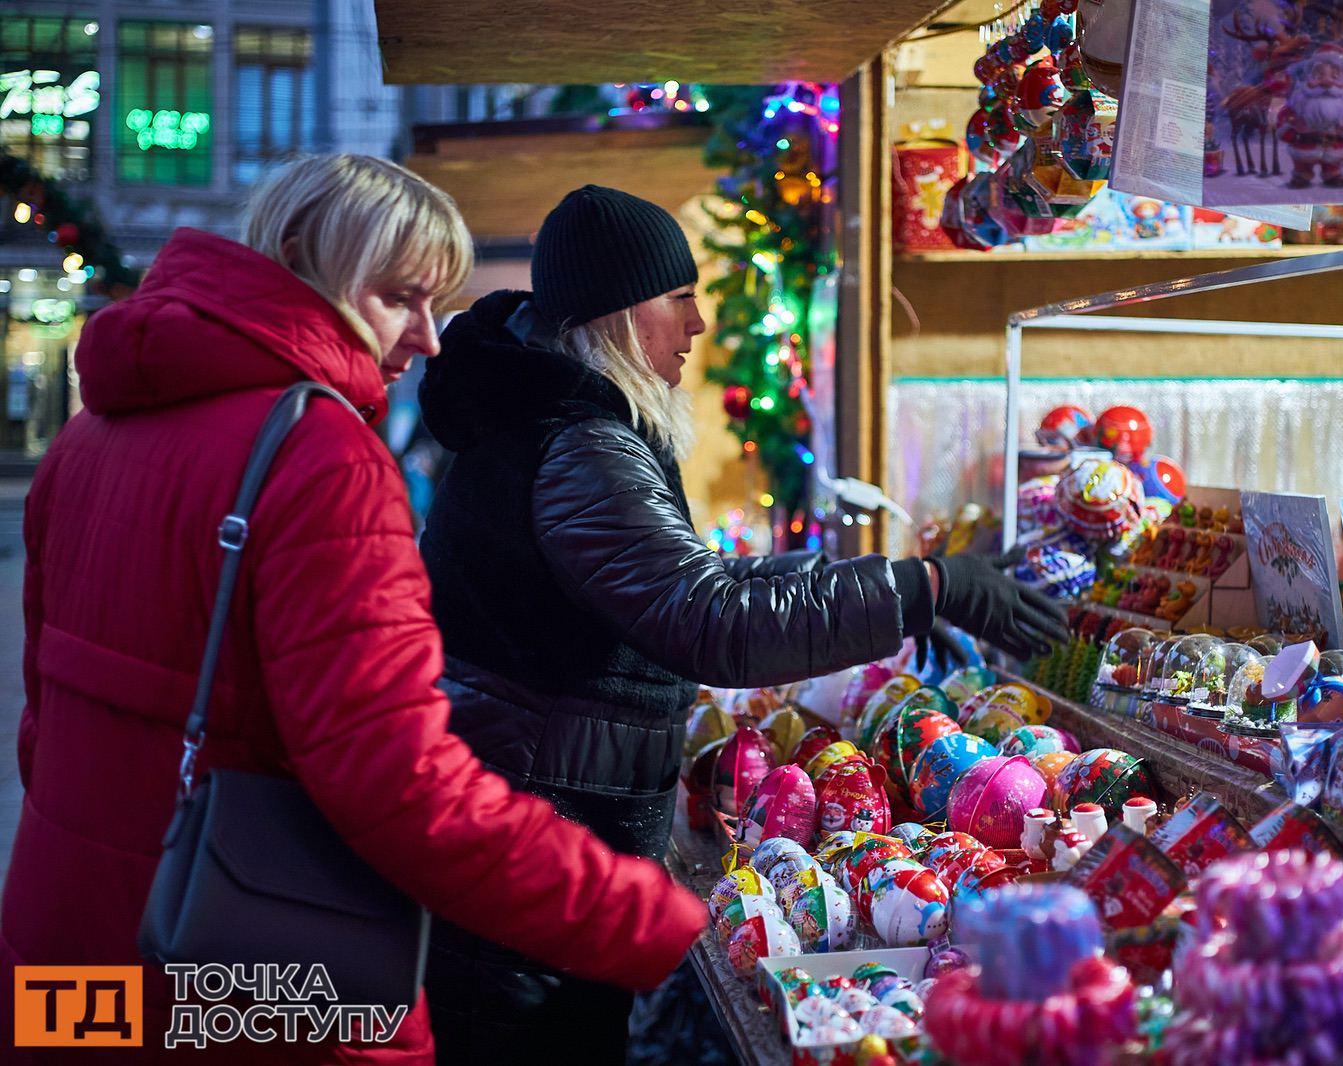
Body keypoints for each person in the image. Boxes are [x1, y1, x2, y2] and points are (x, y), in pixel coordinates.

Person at [0, 157, 706, 1064]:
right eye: (398, 297)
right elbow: (398, 783)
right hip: (239, 977)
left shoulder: (89, 436)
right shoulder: (320, 457)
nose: (428, 338)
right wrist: (640, 919)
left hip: (65, 953)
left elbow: (41, 722)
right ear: (304, 262)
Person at [416, 184, 1066, 1059]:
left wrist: (878, 581)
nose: (696, 324)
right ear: (618, 313)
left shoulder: (549, 419)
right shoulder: (578, 443)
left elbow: (697, 579)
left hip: (536, 834)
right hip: (539, 846)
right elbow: (709, 617)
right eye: (677, 298)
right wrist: (925, 588)